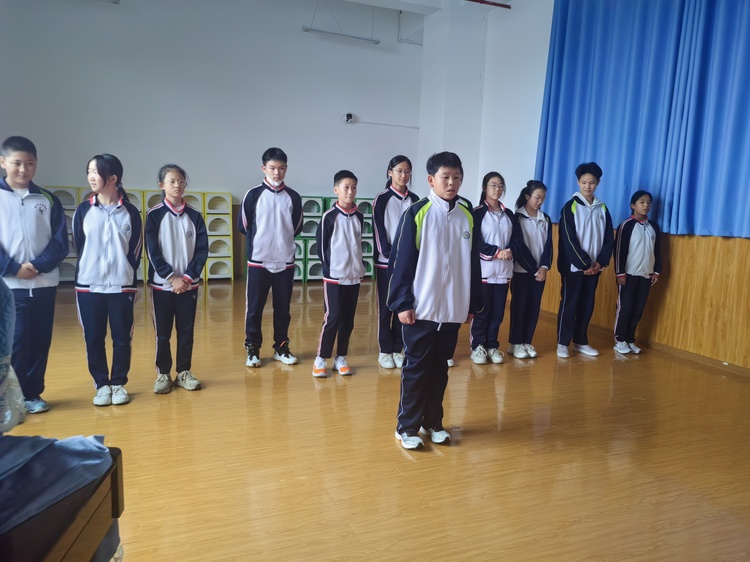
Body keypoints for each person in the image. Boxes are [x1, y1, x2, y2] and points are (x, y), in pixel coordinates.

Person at [387, 152, 482, 450]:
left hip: (453, 309)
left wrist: (471, 305)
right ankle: (407, 427)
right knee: (416, 368)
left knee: (440, 368)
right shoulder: (417, 213)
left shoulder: (467, 214)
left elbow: (473, 263)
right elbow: (400, 262)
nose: (451, 183)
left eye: (456, 177)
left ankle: (432, 423)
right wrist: (402, 302)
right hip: (421, 309)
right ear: (431, 180)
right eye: (445, 177)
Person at [0, 136, 68, 414]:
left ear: (36, 164)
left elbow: (60, 243)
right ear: (3, 162)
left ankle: (31, 395)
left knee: (40, 341)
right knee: (15, 342)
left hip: (43, 284)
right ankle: (9, 400)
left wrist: (38, 265)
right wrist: (13, 268)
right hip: (9, 286)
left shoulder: (47, 199)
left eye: (29, 163)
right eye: (16, 163)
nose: (23, 169)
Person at [73, 154, 142, 406]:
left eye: (97, 172)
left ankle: (118, 383)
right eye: (89, 171)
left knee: (122, 338)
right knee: (93, 338)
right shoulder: (83, 210)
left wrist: (126, 275)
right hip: (88, 286)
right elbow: (79, 245)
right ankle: (101, 384)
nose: (91, 177)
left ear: (113, 178)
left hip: (122, 286)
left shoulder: (131, 212)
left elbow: (135, 251)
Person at [145, 164, 209, 393]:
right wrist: (172, 278)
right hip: (162, 286)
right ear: (162, 185)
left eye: (181, 181)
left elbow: (202, 249)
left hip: (188, 286)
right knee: (162, 332)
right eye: (172, 181)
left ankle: (183, 372)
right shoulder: (154, 215)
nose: (177, 185)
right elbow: (152, 251)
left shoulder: (195, 215)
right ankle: (163, 374)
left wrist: (188, 277)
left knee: (186, 330)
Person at [238, 148, 303, 367]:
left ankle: (281, 347)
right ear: (263, 168)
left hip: (285, 262)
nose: (277, 173)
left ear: (286, 169)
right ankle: (252, 348)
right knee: (254, 308)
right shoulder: (253, 195)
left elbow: (296, 227)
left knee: (283, 309)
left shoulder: (293, 197)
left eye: (281, 168)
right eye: (272, 168)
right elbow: (244, 226)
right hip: (259, 261)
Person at [556, 162, 613, 358]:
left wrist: (600, 262)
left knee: (587, 305)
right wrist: (585, 264)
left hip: (595, 269)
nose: (588, 186)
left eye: (592, 182)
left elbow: (608, 238)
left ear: (598, 183)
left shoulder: (602, 208)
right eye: (584, 182)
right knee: (569, 304)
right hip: (574, 268)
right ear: (578, 182)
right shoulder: (570, 207)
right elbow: (568, 239)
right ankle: (563, 343)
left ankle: (580, 341)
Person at [311, 170, 365, 378]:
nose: (350, 191)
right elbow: (321, 247)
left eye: (354, 187)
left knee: (348, 319)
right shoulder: (329, 217)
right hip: (334, 277)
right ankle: (320, 358)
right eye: (346, 187)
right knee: (332, 317)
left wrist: (357, 268)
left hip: (354, 276)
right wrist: (331, 269)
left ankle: (341, 357)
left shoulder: (359, 216)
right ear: (336, 190)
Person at [372, 155, 419, 370]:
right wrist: (392, 256)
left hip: (408, 264)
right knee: (386, 307)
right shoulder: (381, 199)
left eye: (407, 171)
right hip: (386, 263)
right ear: (390, 172)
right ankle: (385, 349)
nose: (404, 175)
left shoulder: (415, 200)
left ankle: (399, 348)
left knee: (404, 304)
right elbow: (379, 232)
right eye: (399, 171)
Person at [470, 172, 514, 365]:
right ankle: (477, 346)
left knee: (497, 313)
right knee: (482, 311)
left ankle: (492, 346)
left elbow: (517, 239)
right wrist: (497, 252)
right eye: (493, 185)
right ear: (484, 188)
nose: (497, 189)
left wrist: (510, 250)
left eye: (500, 186)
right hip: (484, 272)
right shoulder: (477, 213)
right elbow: (475, 242)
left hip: (504, 272)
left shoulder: (509, 214)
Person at [613, 190, 662, 354]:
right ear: (633, 205)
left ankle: (629, 339)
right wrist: (620, 273)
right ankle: (620, 340)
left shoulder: (653, 227)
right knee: (625, 309)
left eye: (648, 202)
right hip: (628, 275)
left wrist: (656, 271)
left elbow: (657, 250)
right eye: (642, 202)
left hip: (646, 275)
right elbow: (619, 250)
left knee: (637, 310)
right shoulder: (626, 225)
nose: (646, 205)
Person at [508, 181, 552, 359]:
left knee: (534, 308)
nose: (540, 201)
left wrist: (544, 267)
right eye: (537, 197)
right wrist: (533, 268)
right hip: (521, 271)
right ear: (527, 196)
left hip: (539, 273)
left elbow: (548, 247)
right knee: (519, 307)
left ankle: (527, 342)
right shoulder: (516, 217)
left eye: (543, 198)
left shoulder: (545, 218)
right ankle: (515, 343)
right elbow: (518, 246)